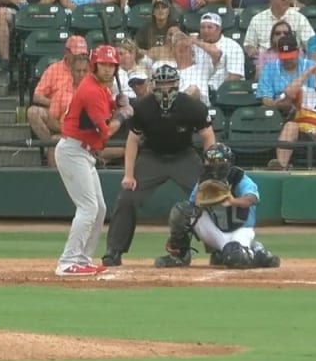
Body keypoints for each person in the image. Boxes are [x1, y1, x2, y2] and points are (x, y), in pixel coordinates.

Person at [103, 65, 215, 266]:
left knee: (209, 195)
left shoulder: (191, 106)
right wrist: (128, 175)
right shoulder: (143, 107)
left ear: (177, 84)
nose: (165, 89)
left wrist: (209, 168)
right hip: (152, 156)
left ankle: (218, 249)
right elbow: (132, 141)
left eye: (169, 84)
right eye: (161, 84)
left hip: (184, 156)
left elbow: (208, 136)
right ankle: (114, 250)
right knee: (127, 198)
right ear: (153, 84)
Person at [53, 44, 122, 276]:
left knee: (99, 208)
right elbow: (105, 132)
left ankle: (82, 258)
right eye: (103, 64)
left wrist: (116, 104)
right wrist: (122, 116)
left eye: (112, 65)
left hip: (83, 152)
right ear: (95, 65)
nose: (108, 69)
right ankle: (68, 261)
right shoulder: (92, 90)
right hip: (73, 151)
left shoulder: (100, 88)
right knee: (88, 207)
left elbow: (104, 108)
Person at [157, 143, 280, 269]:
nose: (214, 165)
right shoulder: (203, 180)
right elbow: (192, 207)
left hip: (240, 230)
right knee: (182, 210)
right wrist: (177, 237)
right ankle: (180, 255)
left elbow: (251, 199)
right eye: (210, 161)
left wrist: (232, 201)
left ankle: (258, 253)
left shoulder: (239, 178)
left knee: (235, 258)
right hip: (214, 230)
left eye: (218, 161)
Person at [27, 35, 91, 167]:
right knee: (33, 113)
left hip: (81, 120)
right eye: (77, 54)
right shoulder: (54, 69)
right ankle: (49, 145)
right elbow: (37, 96)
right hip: (56, 112)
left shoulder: (88, 70)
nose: (80, 57)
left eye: (84, 54)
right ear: (67, 52)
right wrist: (61, 102)